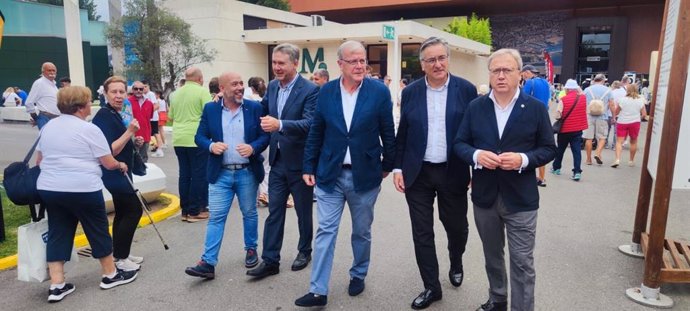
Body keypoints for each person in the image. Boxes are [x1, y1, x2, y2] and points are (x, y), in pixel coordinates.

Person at [295, 40, 396, 307]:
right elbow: (317, 130)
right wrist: (308, 165)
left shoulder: (378, 92)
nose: (361, 65)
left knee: (361, 232)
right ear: (340, 64)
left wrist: (388, 164)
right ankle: (318, 290)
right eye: (354, 61)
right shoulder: (326, 92)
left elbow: (388, 131)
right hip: (330, 173)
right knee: (325, 231)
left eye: (363, 60)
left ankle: (358, 273)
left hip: (365, 176)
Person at [454, 48, 556, 311]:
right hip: (485, 197)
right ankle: (498, 299)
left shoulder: (534, 108)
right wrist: (476, 155)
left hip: (521, 199)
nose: (501, 76)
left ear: (519, 74)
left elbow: (548, 148)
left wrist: (523, 160)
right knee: (492, 256)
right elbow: (460, 144)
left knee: (522, 262)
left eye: (507, 70)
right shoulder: (476, 107)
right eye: (495, 70)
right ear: (489, 74)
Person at [393, 37, 477, 310]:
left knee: (457, 227)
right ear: (423, 64)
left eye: (442, 58)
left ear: (448, 59)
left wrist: (476, 168)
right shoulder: (411, 92)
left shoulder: (466, 89)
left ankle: (456, 260)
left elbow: (476, 132)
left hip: (453, 170)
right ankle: (432, 286)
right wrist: (397, 167)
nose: (438, 64)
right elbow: (402, 132)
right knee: (422, 232)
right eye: (431, 60)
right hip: (418, 173)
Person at [37, 86, 138, 302]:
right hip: (82, 187)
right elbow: (108, 162)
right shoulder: (89, 129)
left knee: (58, 232)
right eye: (89, 101)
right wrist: (120, 164)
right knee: (97, 229)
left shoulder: (48, 128)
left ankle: (57, 285)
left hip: (50, 187)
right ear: (81, 106)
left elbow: (40, 161)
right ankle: (110, 275)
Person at [184, 71, 270, 279]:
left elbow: (265, 136)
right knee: (216, 218)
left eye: (241, 83)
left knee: (249, 213)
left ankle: (251, 249)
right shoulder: (211, 109)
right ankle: (208, 262)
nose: (240, 87)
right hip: (220, 174)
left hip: (246, 172)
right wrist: (211, 145)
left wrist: (253, 148)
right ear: (222, 89)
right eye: (235, 84)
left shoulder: (254, 108)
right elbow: (199, 137)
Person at [246, 43, 319, 279]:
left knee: (303, 212)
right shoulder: (274, 87)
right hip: (277, 162)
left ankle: (304, 251)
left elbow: (310, 124)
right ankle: (270, 260)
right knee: (274, 211)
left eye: (281, 63)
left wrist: (281, 125)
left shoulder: (310, 90)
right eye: (274, 63)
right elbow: (262, 110)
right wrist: (234, 100)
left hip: (301, 164)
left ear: (295, 63)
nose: (276, 67)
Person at [92, 76, 146, 272]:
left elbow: (120, 143)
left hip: (124, 170)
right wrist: (129, 131)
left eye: (122, 92)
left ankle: (121, 251)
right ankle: (120, 257)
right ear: (105, 94)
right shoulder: (104, 116)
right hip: (114, 171)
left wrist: (134, 141)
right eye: (114, 92)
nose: (118, 96)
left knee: (123, 211)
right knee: (133, 210)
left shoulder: (115, 114)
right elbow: (109, 150)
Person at [168, 67, 213, 222]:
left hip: (179, 138)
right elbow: (210, 114)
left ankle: (185, 210)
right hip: (196, 138)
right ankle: (195, 210)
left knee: (185, 175)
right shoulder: (202, 92)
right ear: (200, 79)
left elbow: (171, 116)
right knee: (199, 175)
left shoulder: (175, 94)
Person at [550, 79, 588, 181]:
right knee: (576, 151)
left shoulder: (563, 99)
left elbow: (558, 114)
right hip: (577, 129)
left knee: (560, 149)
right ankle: (577, 172)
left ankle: (556, 168)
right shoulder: (583, 98)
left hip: (565, 129)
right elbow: (581, 92)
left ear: (566, 89)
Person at [521, 64, 551, 187]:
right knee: (541, 147)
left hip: (530, 117)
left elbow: (523, 98)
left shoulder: (529, 83)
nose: (522, 77)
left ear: (527, 73)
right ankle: (542, 178)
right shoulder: (545, 82)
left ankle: (529, 176)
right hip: (543, 116)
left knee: (528, 146)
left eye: (522, 75)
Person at [245, 77, 269, 207]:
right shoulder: (264, 101)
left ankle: (254, 195)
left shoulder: (245, 99)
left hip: (249, 138)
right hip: (262, 136)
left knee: (250, 167)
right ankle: (264, 193)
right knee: (265, 166)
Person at [611, 84, 647, 167]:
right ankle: (631, 160)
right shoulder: (640, 100)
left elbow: (617, 112)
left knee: (619, 141)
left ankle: (617, 159)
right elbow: (644, 114)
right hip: (635, 122)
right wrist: (639, 118)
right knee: (633, 142)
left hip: (622, 122)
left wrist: (614, 118)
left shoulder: (622, 100)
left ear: (627, 90)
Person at [582, 74, 613, 165]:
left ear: (594, 80)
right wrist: (614, 116)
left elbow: (583, 103)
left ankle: (588, 159)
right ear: (603, 81)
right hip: (602, 117)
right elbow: (611, 104)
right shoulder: (608, 90)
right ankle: (598, 153)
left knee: (588, 138)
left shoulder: (587, 90)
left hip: (589, 116)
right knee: (602, 137)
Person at [25, 62, 59, 129]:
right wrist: (36, 118)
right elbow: (29, 102)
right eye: (49, 70)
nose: (52, 72)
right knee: (48, 139)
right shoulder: (40, 83)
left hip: (56, 119)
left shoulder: (53, 85)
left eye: (53, 70)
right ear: (43, 72)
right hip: (46, 118)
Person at [127, 81, 154, 163]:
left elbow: (149, 117)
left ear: (144, 89)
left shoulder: (149, 103)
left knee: (143, 160)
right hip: (132, 136)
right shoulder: (127, 103)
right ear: (132, 90)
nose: (138, 91)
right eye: (136, 89)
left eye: (141, 89)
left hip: (145, 135)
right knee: (131, 159)